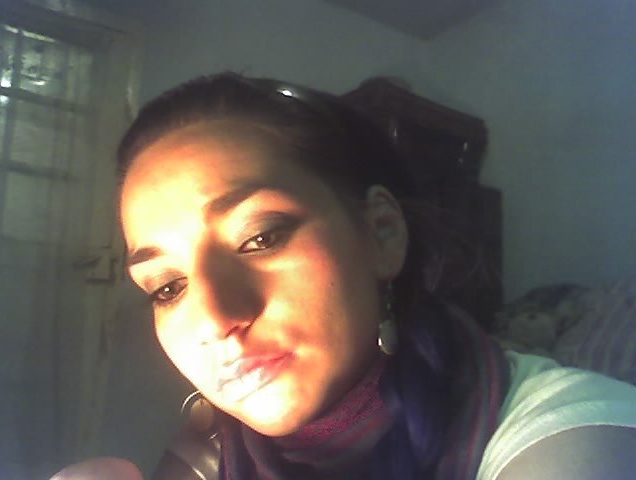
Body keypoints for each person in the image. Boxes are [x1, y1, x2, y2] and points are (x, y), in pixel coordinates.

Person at [53, 73, 636, 480]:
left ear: (381, 233)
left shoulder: (577, 432)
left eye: (260, 237)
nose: (213, 320)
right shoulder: (210, 444)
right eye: (167, 287)